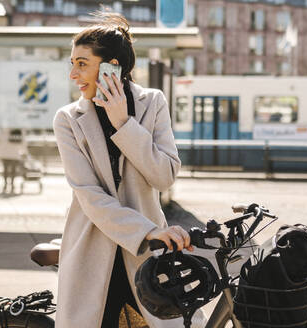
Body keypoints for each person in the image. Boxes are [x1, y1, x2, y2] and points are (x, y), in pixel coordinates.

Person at [53, 10, 205, 328]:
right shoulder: (68, 119)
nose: (73, 74)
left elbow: (164, 175)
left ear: (112, 66)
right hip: (92, 254)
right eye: (72, 63)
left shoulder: (153, 104)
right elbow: (89, 195)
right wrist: (149, 231)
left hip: (146, 256)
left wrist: (123, 123)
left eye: (82, 63)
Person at [0, 128, 28, 194]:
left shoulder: (3, 128)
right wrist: (24, 151)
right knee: (12, 170)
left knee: (6, 170)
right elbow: (23, 141)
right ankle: (11, 185)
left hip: (6, 151)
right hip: (13, 152)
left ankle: (6, 185)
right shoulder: (18, 127)